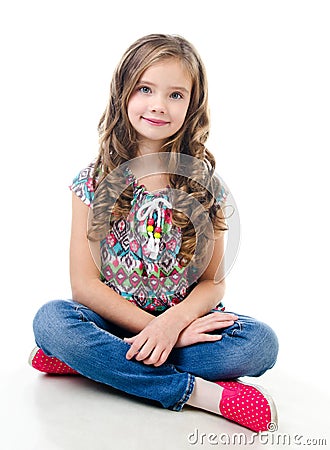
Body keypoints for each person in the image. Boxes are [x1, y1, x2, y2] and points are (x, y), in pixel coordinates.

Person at [29, 34, 279, 433]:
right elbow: (84, 286)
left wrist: (173, 326)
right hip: (112, 321)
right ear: (124, 93)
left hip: (183, 322)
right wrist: (154, 329)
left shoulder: (207, 187)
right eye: (146, 89)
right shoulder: (92, 184)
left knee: (260, 344)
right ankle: (198, 393)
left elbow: (213, 284)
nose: (159, 104)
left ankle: (93, 362)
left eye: (176, 94)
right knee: (52, 321)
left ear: (192, 107)